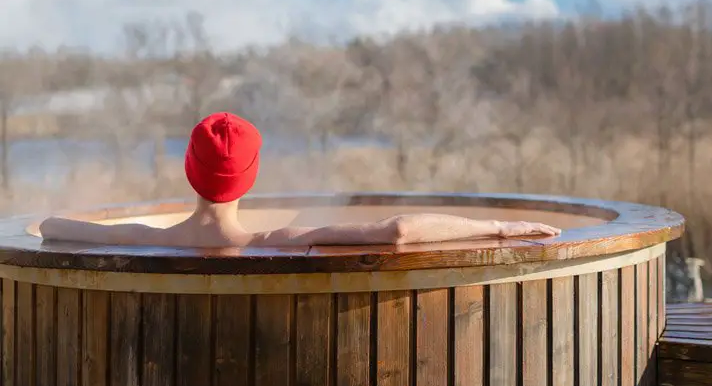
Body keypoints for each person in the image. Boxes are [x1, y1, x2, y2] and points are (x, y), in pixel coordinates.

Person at [40, 112, 561, 248]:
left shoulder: (146, 240)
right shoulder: (269, 244)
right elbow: (399, 231)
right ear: (250, 177)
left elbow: (52, 226)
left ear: (190, 172)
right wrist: (499, 226)